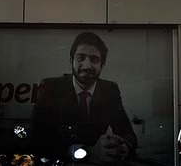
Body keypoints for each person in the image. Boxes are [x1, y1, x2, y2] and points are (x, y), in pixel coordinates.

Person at [30, 31, 138, 165]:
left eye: (94, 59)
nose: (87, 66)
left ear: (102, 65)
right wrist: (89, 152)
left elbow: (128, 134)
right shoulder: (51, 87)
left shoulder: (110, 89)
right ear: (71, 61)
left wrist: (122, 148)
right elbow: (37, 141)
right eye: (81, 58)